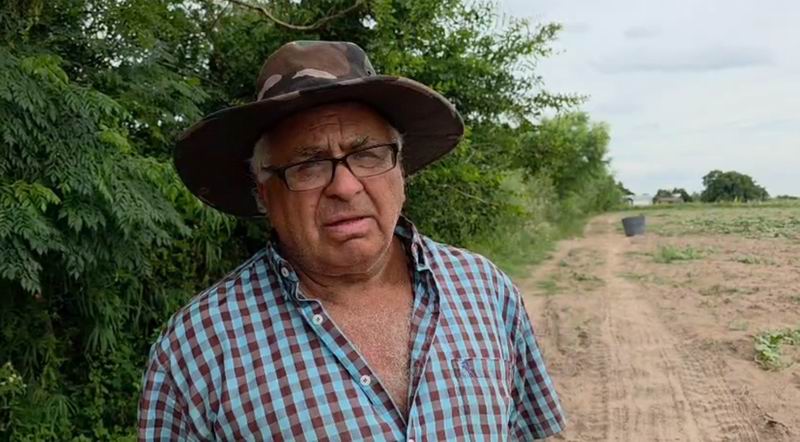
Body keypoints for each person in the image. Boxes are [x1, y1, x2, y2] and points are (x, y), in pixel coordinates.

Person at [138, 40, 564, 441]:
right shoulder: (197, 348)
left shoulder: (484, 288)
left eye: (367, 154)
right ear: (265, 194)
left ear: (401, 173)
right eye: (308, 165)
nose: (345, 187)